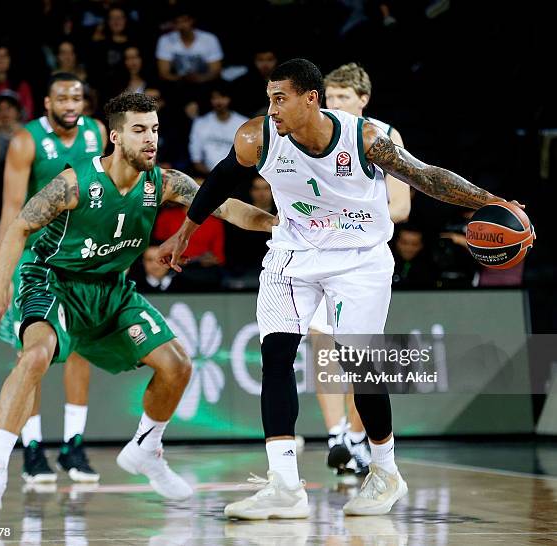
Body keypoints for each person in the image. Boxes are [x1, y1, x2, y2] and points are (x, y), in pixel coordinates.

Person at [158, 58, 523, 519]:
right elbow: (218, 182)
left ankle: (386, 472)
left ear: (310, 99)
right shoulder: (259, 137)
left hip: (359, 258)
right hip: (292, 255)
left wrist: (489, 200)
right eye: (269, 98)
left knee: (358, 363)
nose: (272, 109)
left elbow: (426, 176)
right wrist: (184, 233)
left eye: (280, 98)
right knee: (276, 355)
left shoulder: (365, 138)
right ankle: (285, 484)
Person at [0, 91, 276, 511]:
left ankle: (146, 448)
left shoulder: (164, 182)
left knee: (178, 365)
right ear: (115, 137)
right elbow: (19, 227)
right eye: (139, 130)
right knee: (35, 356)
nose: (150, 139)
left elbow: (226, 208)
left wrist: (278, 224)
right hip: (54, 282)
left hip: (112, 289)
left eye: (154, 129)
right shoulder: (74, 183)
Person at [0, 73, 107, 485]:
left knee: (79, 350)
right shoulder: (26, 141)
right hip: (36, 260)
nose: (70, 104)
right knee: (34, 353)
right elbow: (11, 211)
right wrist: (1, 276)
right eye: (62, 97)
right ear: (46, 102)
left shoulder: (97, 133)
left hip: (82, 256)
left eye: (77, 97)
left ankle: (73, 445)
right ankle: (32, 448)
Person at [310, 62, 410, 476]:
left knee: (357, 351)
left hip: (362, 256)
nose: (334, 105)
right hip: (318, 253)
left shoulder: (383, 135)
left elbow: (401, 206)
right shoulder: (312, 132)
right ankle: (336, 436)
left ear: (363, 100)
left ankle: (357, 437)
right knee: (320, 341)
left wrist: (352, 220)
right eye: (329, 98)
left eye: (343, 98)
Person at [188, 81, 248, 175]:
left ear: (230, 98)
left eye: (223, 97)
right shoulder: (200, 123)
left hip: (237, 177)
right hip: (206, 177)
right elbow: (196, 158)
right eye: (215, 98)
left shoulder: (244, 123)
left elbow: (248, 157)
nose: (219, 101)